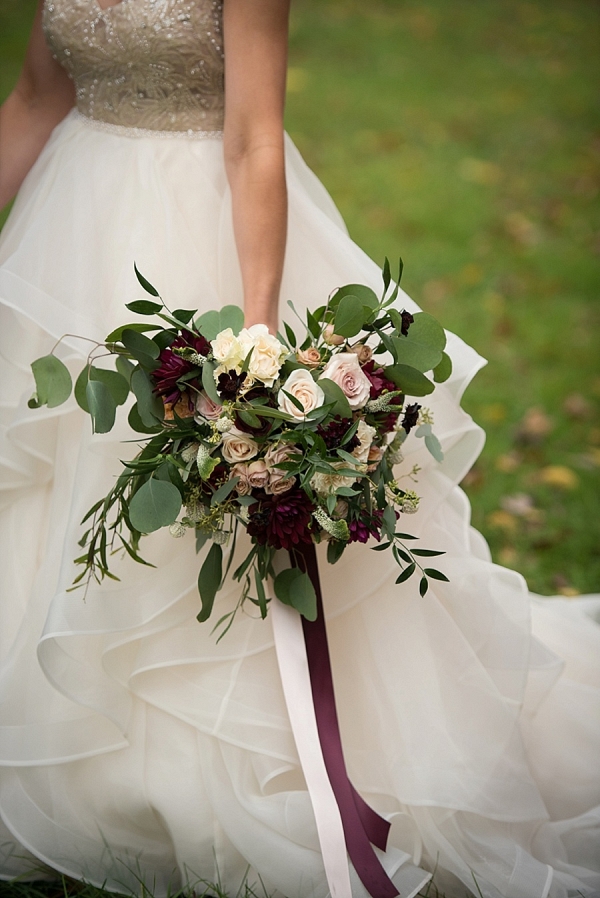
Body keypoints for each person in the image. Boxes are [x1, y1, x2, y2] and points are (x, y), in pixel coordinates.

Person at [0, 2, 598, 897]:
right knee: (59, 482)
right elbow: (37, 95)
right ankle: (58, 753)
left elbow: (253, 136)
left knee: (200, 509)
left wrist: (257, 342)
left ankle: (205, 772)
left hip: (205, 229)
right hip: (70, 237)